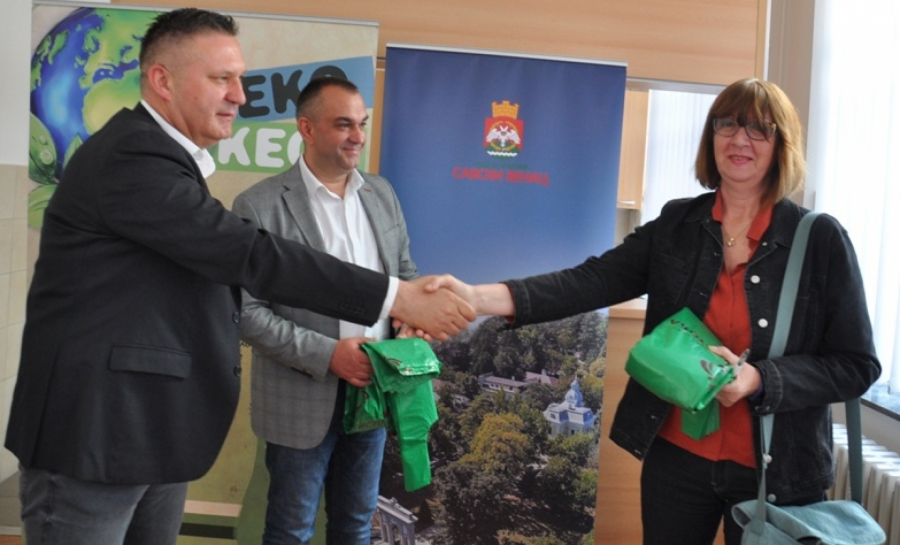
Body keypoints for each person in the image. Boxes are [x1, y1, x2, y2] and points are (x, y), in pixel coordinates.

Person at [4, 8, 473, 545]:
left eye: (240, 79)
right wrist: (395, 297)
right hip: (96, 435)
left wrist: (402, 308)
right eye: (221, 78)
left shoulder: (168, 161)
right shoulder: (133, 156)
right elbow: (251, 257)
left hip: (148, 430)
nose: (239, 96)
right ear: (162, 81)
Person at [428, 78, 881, 544]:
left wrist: (760, 380)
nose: (739, 139)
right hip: (678, 463)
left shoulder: (820, 240)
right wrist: (475, 298)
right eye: (727, 124)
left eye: (758, 129)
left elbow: (857, 365)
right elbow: (590, 281)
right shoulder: (677, 224)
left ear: (781, 144)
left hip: (779, 471)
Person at [232, 77, 411, 545]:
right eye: (344, 124)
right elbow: (247, 312)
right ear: (306, 129)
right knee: (290, 531)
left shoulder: (382, 194)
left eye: (362, 124)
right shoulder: (258, 205)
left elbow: (405, 279)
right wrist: (330, 355)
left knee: (356, 528)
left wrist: (411, 322)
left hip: (373, 393)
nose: (358, 137)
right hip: (299, 398)